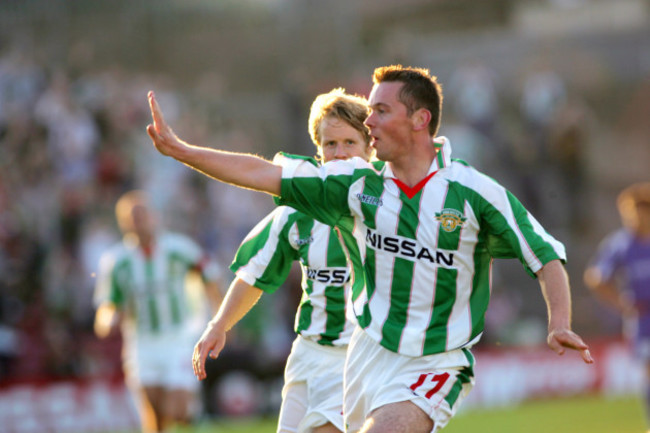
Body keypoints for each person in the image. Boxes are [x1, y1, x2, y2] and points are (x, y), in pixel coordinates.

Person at [146, 64, 593, 433]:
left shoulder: (474, 192)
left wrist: (559, 322)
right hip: (364, 354)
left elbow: (544, 254)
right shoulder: (355, 186)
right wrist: (182, 151)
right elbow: (262, 173)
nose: (370, 120)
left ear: (419, 120)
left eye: (380, 111)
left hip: (436, 359)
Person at [193, 88, 373, 433]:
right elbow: (254, 272)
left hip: (359, 356)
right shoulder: (295, 213)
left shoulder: (385, 204)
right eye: (330, 145)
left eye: (350, 143)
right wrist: (219, 324)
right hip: (307, 355)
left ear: (370, 148)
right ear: (318, 152)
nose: (340, 153)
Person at [93, 190, 222, 433]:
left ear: (154, 216)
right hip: (142, 342)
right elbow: (109, 303)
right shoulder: (117, 261)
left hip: (178, 337)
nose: (138, 220)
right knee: (154, 417)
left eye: (142, 214)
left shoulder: (178, 248)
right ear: (123, 223)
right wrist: (106, 321)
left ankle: (192, 412)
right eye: (132, 216)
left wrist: (220, 317)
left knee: (176, 409)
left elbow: (210, 275)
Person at [584, 182, 650, 431]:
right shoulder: (621, 244)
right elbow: (596, 277)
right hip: (644, 319)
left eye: (635, 212)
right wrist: (622, 304)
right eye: (627, 214)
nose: (631, 219)